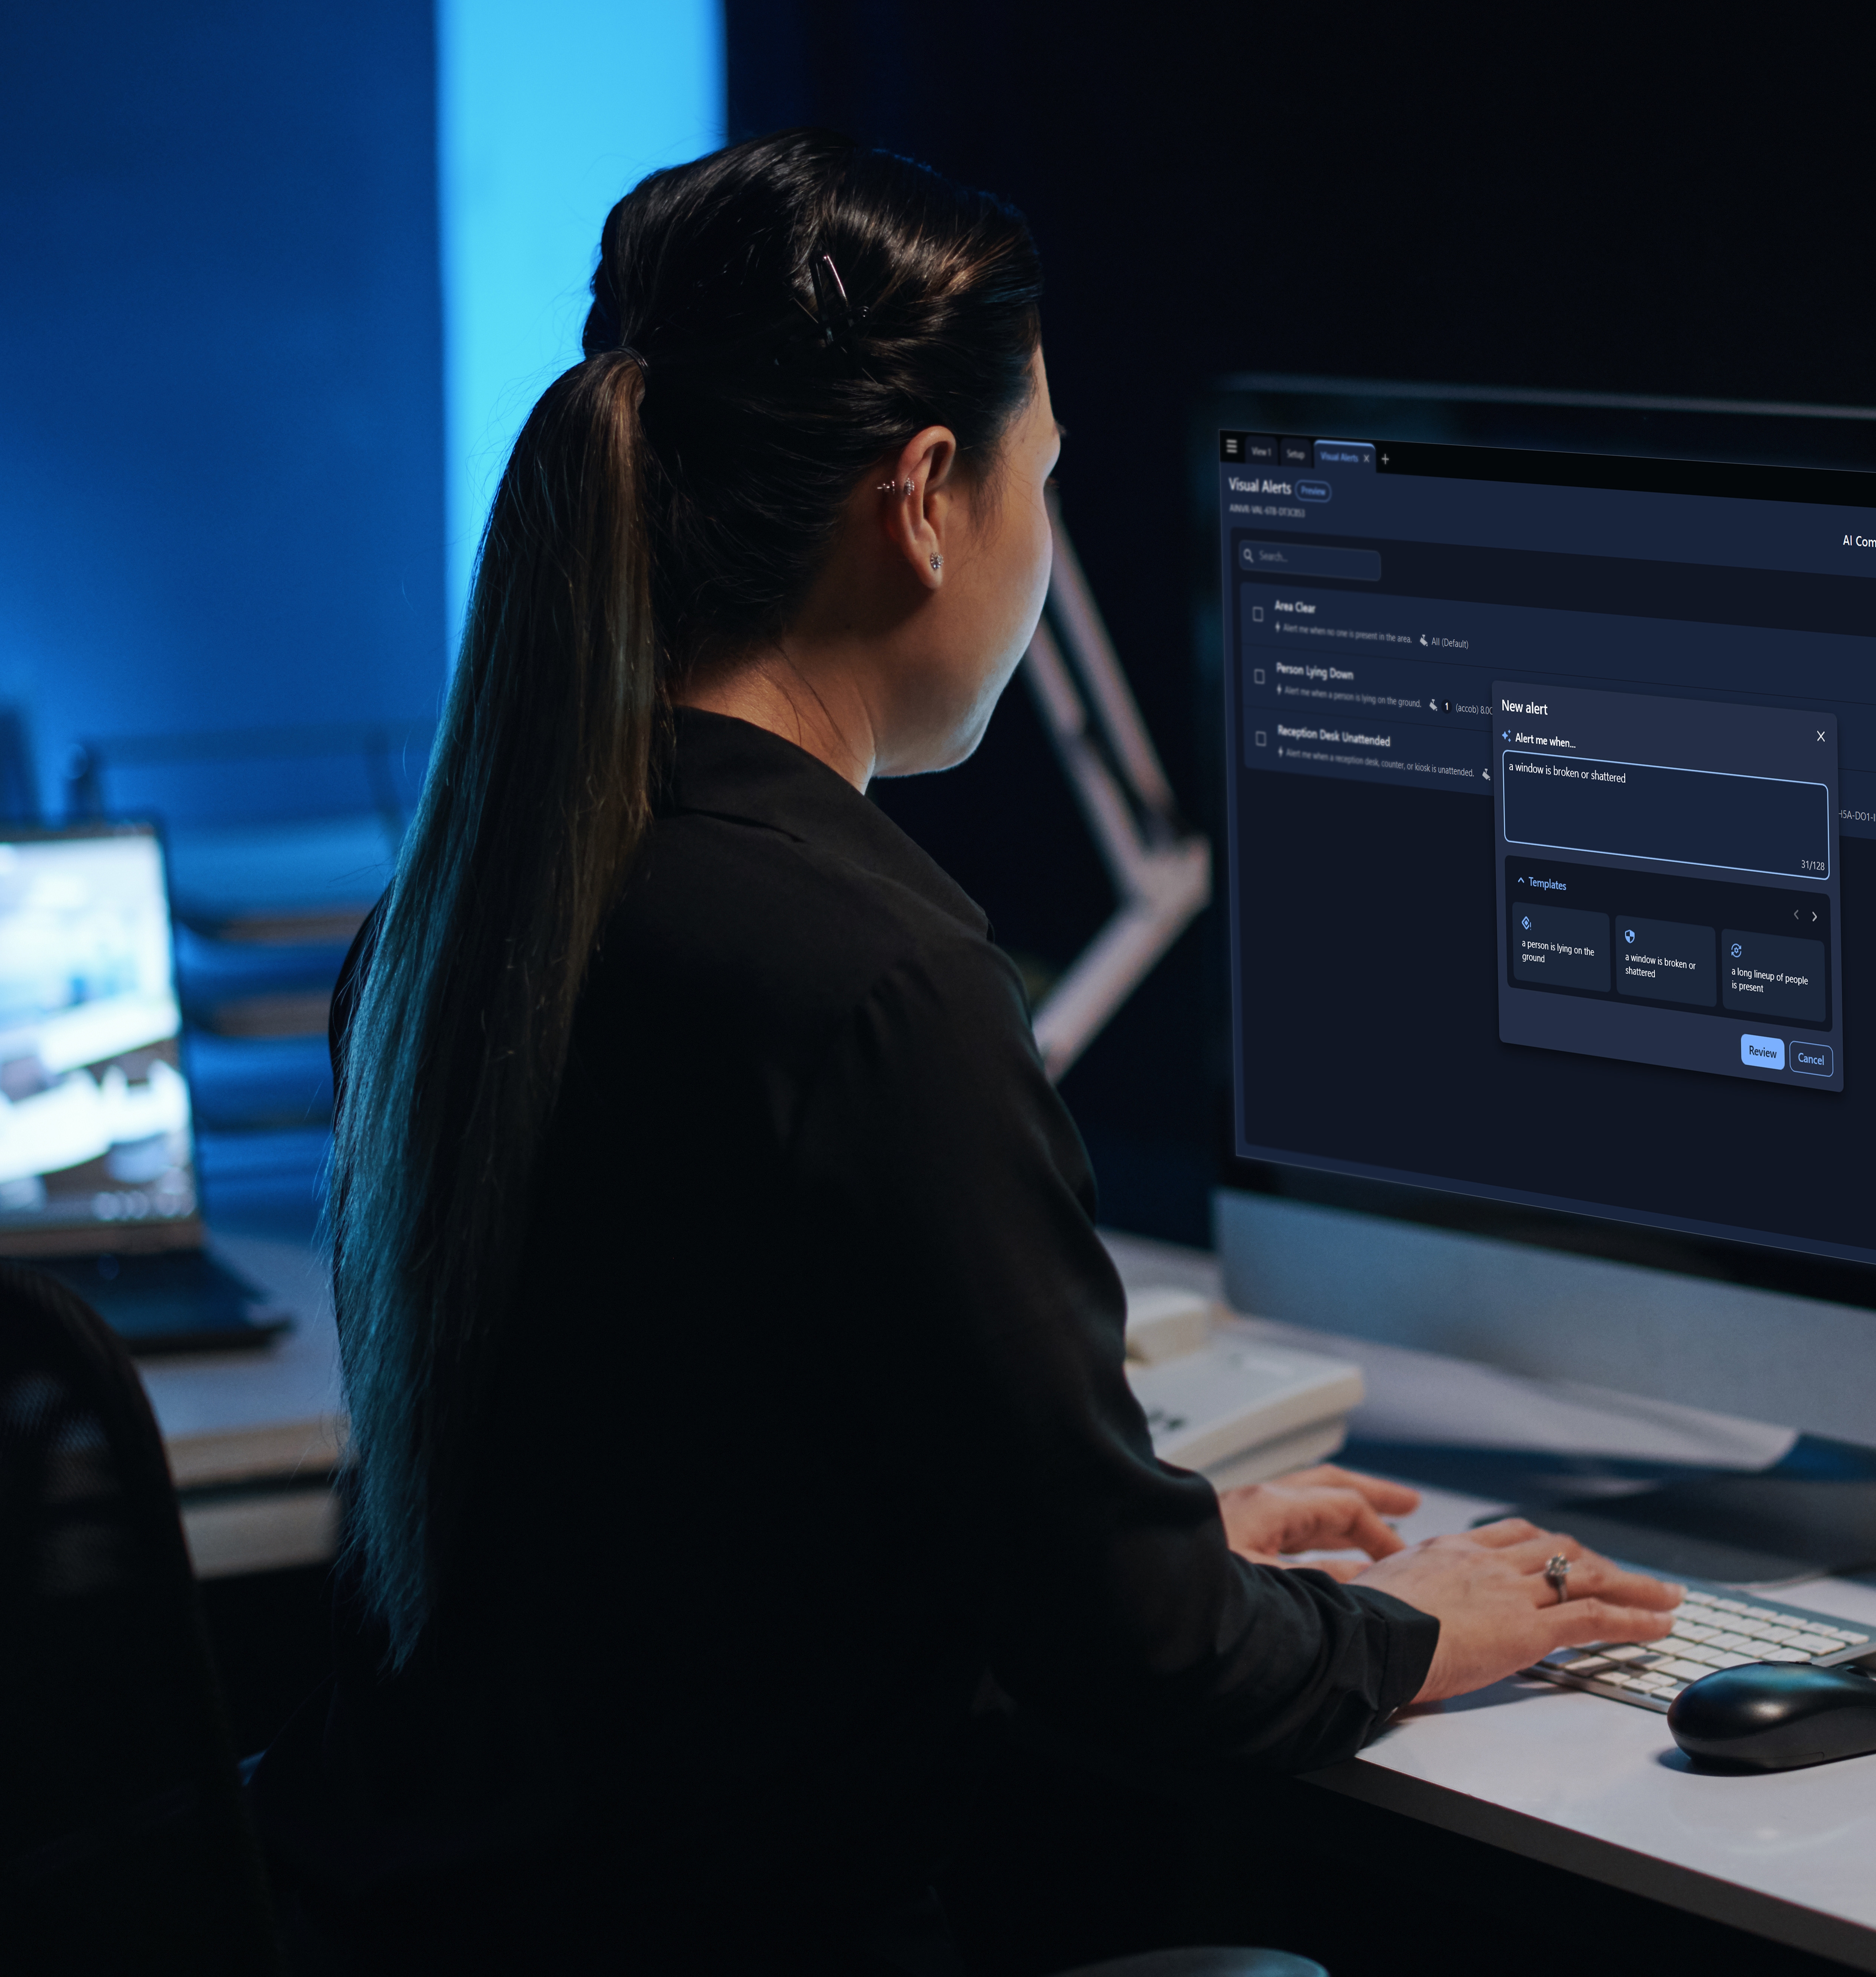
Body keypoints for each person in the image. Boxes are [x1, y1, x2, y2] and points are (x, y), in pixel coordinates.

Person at [245, 130, 1680, 1972]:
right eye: (1045, 480)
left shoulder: (449, 921)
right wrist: (1431, 1620)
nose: (1044, 535)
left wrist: (1131, 1534)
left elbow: (658, 1540)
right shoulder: (881, 985)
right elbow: (1151, 1667)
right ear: (926, 496)